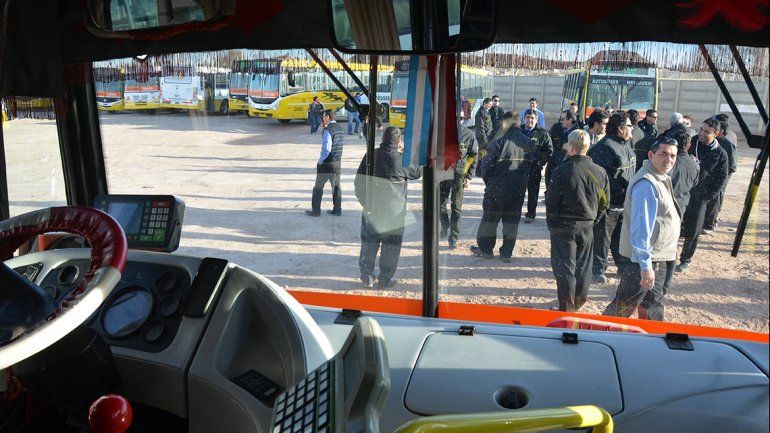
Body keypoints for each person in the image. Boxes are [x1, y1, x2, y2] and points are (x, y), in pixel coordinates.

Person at [604, 136, 681, 321]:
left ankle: (650, 342)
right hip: (645, 259)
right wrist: (645, 266)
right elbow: (641, 229)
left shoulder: (660, 178)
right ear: (650, 154)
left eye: (672, 155)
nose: (668, 159)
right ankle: (596, 337)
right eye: (663, 154)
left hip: (658, 256)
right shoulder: (647, 184)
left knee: (652, 305)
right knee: (624, 307)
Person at [546, 129, 609, 312]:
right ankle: (579, 300)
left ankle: (567, 307)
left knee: (565, 268)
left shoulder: (561, 171)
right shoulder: (600, 172)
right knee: (583, 267)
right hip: (587, 225)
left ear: (571, 147)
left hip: (564, 226)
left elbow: (552, 202)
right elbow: (605, 203)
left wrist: (552, 225)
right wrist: (593, 219)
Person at [354, 127, 422, 288]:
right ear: (398, 142)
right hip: (395, 213)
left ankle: (367, 277)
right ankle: (385, 279)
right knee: (391, 247)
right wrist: (407, 153)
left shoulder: (371, 155)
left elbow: (359, 182)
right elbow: (417, 173)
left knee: (369, 244)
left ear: (383, 138)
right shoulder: (401, 159)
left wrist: (365, 202)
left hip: (373, 209)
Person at [470, 124, 537, 262]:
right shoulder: (528, 142)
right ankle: (506, 253)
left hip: (496, 189)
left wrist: (490, 182)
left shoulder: (498, 141)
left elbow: (486, 166)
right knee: (511, 222)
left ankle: (486, 250)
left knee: (490, 220)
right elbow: (534, 166)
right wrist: (523, 180)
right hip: (517, 190)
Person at [587, 111, 637, 284]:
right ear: (620, 128)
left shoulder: (626, 144)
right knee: (602, 239)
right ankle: (598, 270)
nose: (632, 129)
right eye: (630, 126)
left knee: (621, 239)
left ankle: (622, 266)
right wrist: (611, 197)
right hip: (609, 204)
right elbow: (601, 179)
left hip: (625, 202)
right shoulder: (604, 148)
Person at [678, 118, 729, 272]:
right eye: (701, 129)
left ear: (716, 133)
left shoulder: (720, 154)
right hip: (682, 194)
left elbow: (722, 178)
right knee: (675, 225)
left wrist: (707, 197)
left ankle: (685, 259)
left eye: (707, 131)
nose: (702, 133)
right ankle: (667, 257)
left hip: (701, 198)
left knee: (693, 231)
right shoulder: (691, 143)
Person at [440, 112, 479, 249]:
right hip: (444, 173)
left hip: (459, 175)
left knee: (456, 207)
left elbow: (474, 155)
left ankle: (454, 237)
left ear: (465, 119)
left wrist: (468, 175)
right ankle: (444, 227)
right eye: (456, 118)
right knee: (440, 205)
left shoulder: (469, 134)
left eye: (461, 118)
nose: (458, 120)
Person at [702, 113, 737, 234]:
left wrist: (723, 180)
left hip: (721, 176)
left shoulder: (727, 145)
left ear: (720, 131)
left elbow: (732, 166)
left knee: (716, 198)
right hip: (711, 176)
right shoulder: (713, 142)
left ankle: (710, 224)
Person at [306, 110, 344, 217]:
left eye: (323, 117)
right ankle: (337, 210)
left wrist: (320, 161)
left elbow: (326, 149)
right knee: (336, 187)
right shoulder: (340, 128)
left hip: (327, 163)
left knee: (318, 188)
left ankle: (316, 211)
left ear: (327, 117)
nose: (322, 119)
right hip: (337, 162)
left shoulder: (328, 130)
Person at [520, 109, 553, 223]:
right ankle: (514, 212)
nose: (530, 120)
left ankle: (530, 213)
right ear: (524, 119)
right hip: (518, 169)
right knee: (517, 192)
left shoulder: (542, 133)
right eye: (528, 117)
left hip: (534, 168)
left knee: (533, 193)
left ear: (536, 120)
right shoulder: (517, 132)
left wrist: (540, 162)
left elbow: (549, 150)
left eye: (532, 118)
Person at [669, 125, 699, 216]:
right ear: (689, 146)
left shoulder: (670, 163)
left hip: (668, 202)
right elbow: (695, 183)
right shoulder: (695, 165)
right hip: (683, 204)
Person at [545, 110, 578, 188]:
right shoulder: (558, 128)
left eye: (563, 119)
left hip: (566, 165)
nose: (561, 121)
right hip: (555, 160)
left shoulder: (577, 134)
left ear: (570, 120)